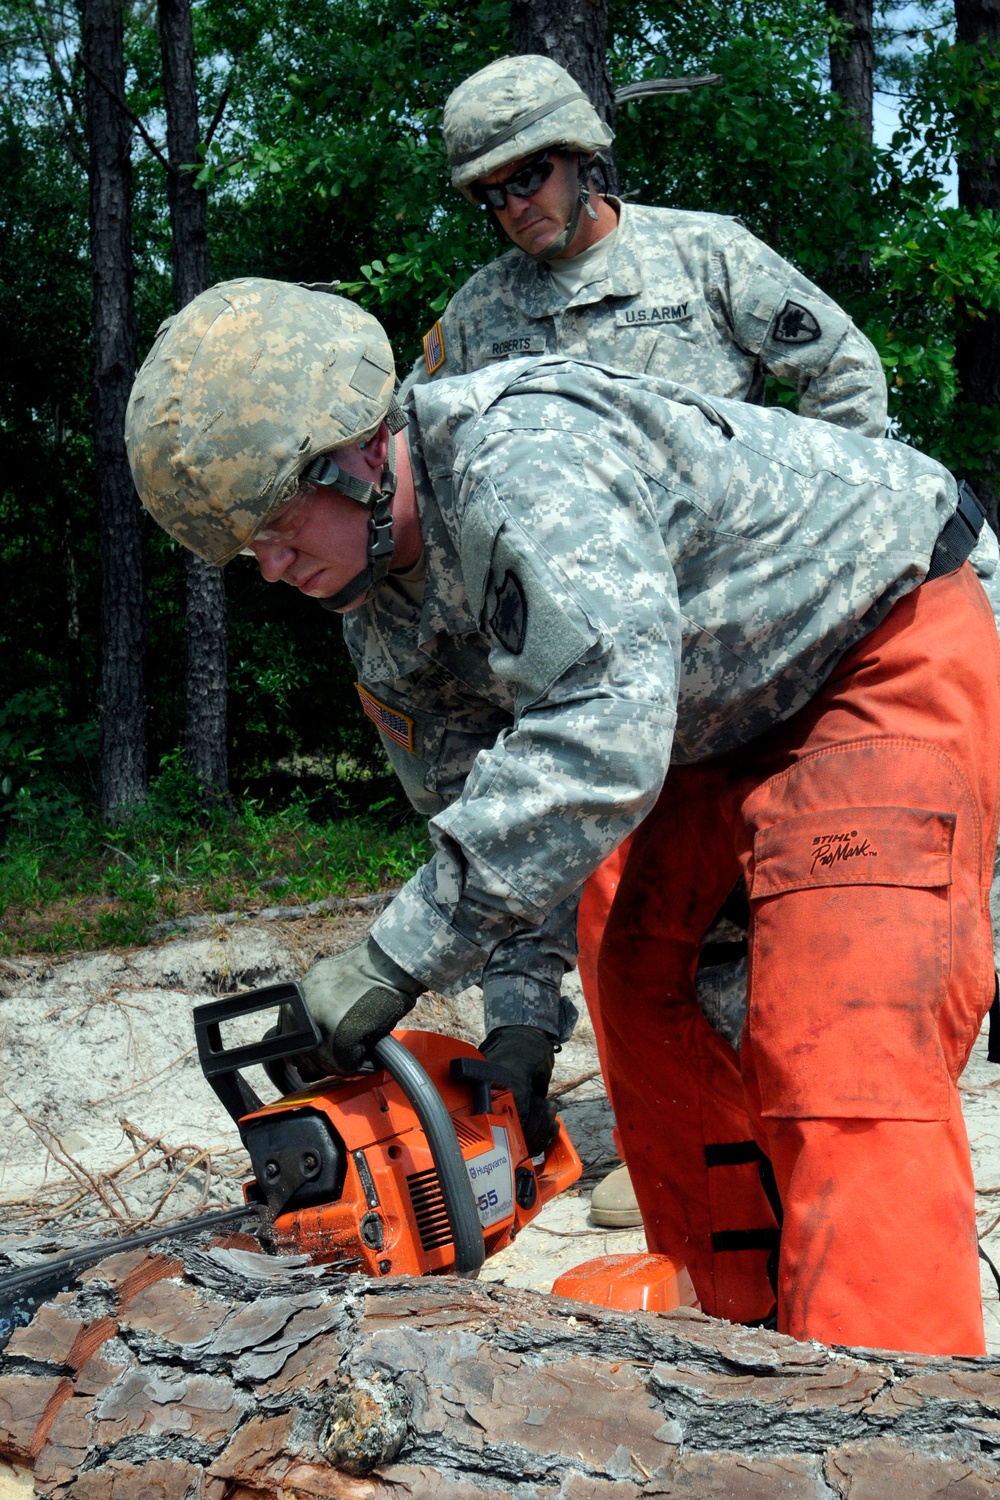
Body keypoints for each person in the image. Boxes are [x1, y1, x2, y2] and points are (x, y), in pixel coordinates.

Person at [127, 278, 999, 1355]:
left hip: (873, 634)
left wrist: (392, 957)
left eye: (270, 523)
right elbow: (496, 810)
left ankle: (898, 1416)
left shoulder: (524, 460)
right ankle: (747, 1362)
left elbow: (598, 738)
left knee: (838, 1029)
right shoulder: (380, 624)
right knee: (646, 986)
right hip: (704, 717)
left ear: (351, 455)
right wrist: (520, 1024)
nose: (269, 565)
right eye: (239, 550)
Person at [402, 53, 891, 1228]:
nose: (512, 205)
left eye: (527, 177)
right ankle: (647, 1105)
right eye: (488, 192)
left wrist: (827, 558)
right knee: (627, 891)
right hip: (597, 655)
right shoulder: (475, 322)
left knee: (775, 885)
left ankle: (790, 1122)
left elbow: (843, 373)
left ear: (582, 156)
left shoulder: (700, 255)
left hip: (748, 635)